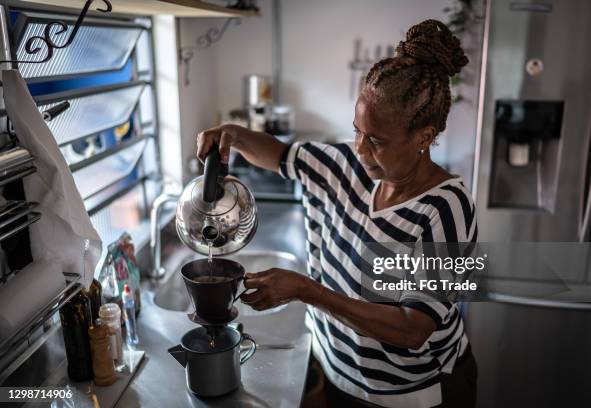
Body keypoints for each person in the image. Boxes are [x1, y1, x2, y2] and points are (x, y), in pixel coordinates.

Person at [197, 19, 477, 408]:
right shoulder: (344, 163)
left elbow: (414, 330)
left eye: (376, 140)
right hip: (338, 375)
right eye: (357, 130)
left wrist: (306, 290)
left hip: (412, 397)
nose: (360, 149)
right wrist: (235, 135)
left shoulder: (446, 208)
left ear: (424, 137)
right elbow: (278, 155)